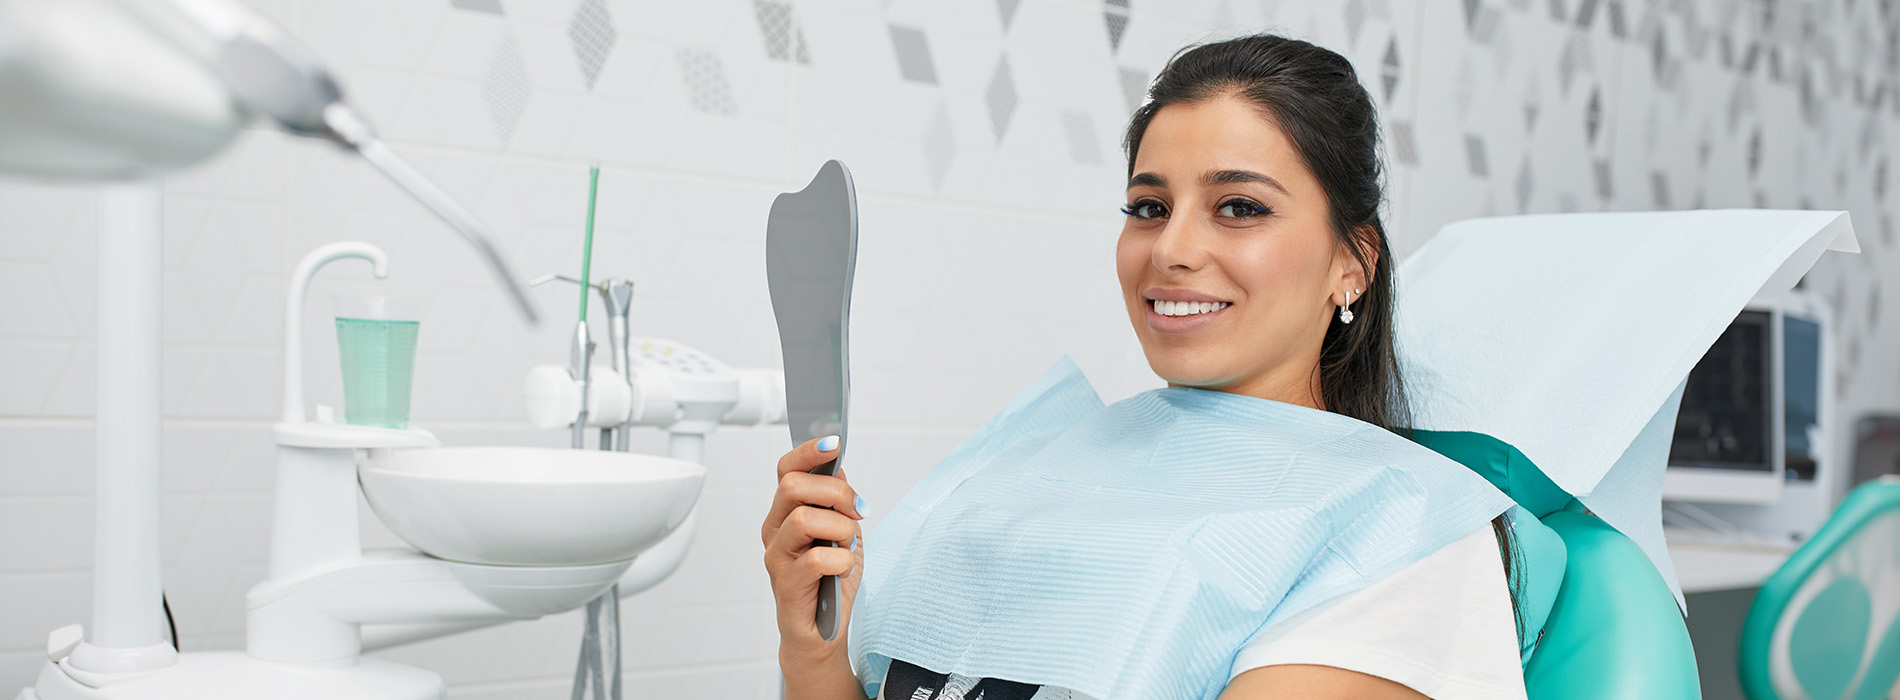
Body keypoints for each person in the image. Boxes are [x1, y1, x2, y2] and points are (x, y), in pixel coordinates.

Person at [762, 34, 1528, 700]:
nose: (1171, 250)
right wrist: (815, 651)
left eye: (1239, 207)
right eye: (1149, 208)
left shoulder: (1399, 539)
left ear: (1351, 263)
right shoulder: (1038, 477)